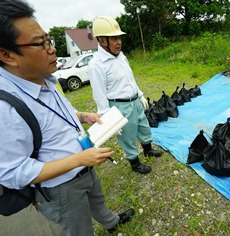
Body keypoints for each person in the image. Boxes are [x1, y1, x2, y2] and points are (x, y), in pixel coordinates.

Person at [0, 1, 134, 235]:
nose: (52, 49)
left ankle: (111, 222)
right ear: (7, 55)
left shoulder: (44, 78)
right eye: (40, 44)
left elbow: (55, 116)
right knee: (79, 228)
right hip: (60, 187)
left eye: (48, 40)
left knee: (98, 201)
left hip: (85, 166)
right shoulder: (5, 107)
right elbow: (13, 173)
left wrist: (83, 116)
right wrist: (79, 160)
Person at [88, 16, 162, 175]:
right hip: (119, 106)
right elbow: (99, 95)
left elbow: (130, 79)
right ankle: (135, 163)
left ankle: (148, 150)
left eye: (119, 38)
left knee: (143, 126)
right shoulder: (96, 65)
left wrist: (140, 95)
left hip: (134, 100)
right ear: (102, 41)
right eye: (114, 38)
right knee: (127, 135)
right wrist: (109, 121)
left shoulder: (121, 56)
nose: (119, 42)